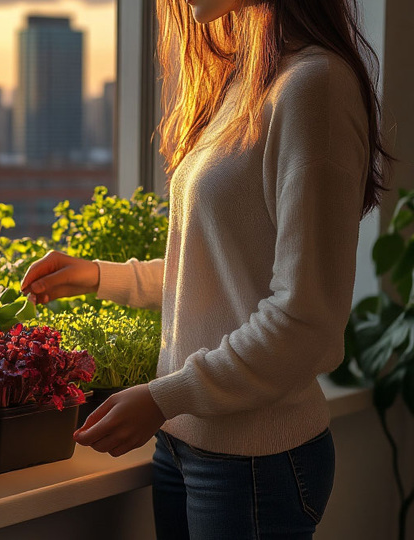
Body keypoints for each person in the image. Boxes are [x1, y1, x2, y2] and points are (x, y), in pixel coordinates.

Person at [19, 0, 390, 537]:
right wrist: (100, 276)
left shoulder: (316, 88)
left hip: (255, 462)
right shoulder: (248, 81)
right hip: (184, 444)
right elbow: (221, 270)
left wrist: (161, 396)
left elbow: (305, 323)